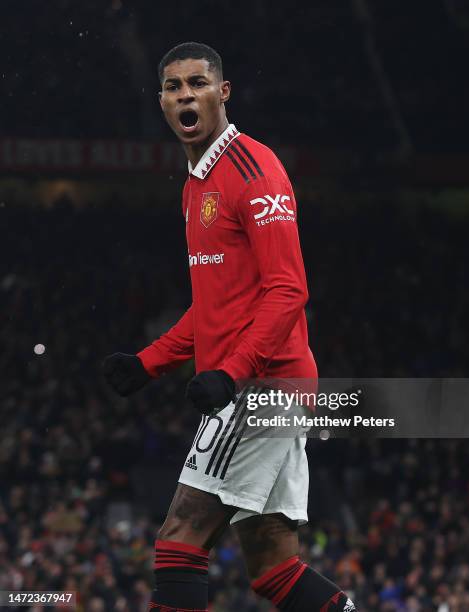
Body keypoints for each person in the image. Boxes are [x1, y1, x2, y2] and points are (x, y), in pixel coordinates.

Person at [103, 42, 356, 612]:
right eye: (173, 86)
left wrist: (233, 373)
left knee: (181, 536)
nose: (185, 94)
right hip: (256, 386)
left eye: (197, 82)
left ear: (223, 92)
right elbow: (214, 307)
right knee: (273, 566)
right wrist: (149, 362)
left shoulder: (253, 168)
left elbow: (288, 289)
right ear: (162, 102)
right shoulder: (195, 184)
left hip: (264, 387)